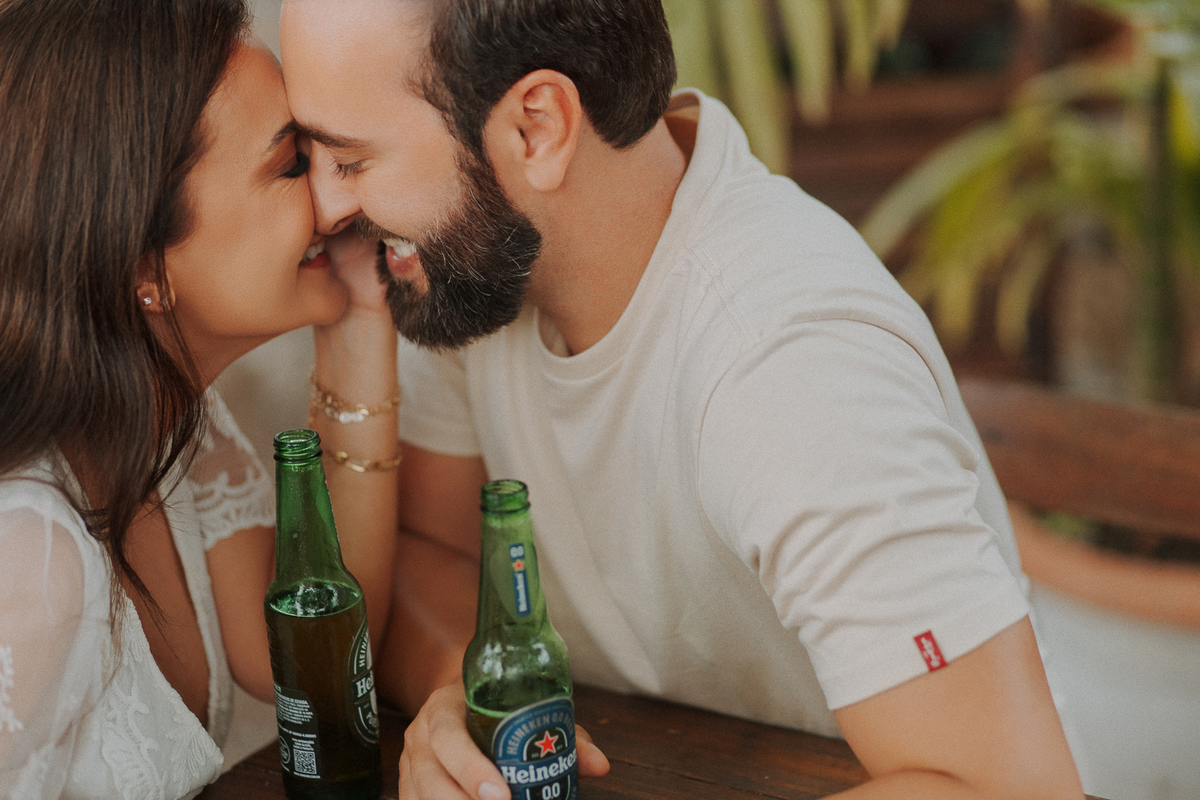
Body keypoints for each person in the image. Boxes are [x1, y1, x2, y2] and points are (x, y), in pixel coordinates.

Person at [279, 1, 1086, 798]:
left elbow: (1007, 785)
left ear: (537, 127)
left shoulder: (791, 368)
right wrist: (465, 691)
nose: (323, 209)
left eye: (349, 162)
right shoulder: (485, 266)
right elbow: (432, 548)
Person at [0, 0, 400, 797]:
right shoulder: (28, 562)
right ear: (144, 264)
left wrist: (360, 324)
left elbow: (314, 664)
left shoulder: (176, 430)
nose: (333, 196)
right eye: (292, 164)